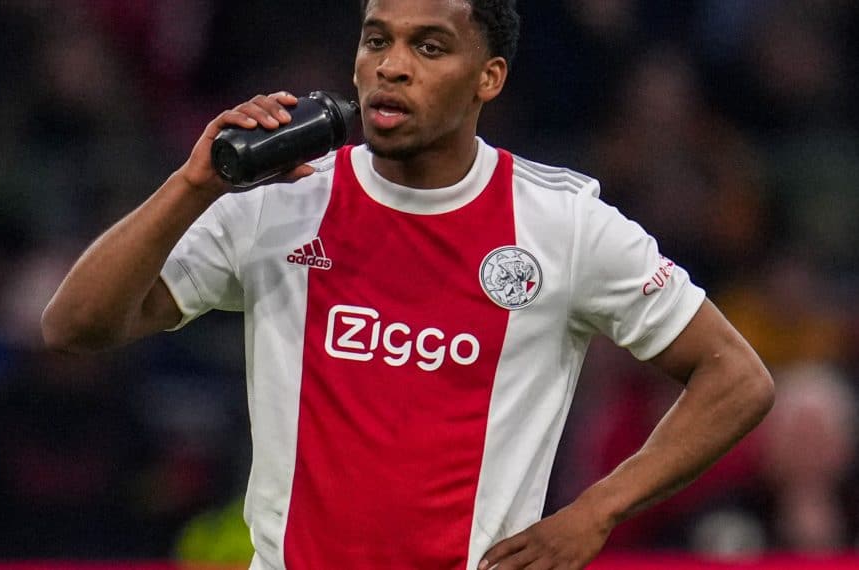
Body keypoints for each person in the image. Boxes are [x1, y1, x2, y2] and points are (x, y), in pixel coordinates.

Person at [42, 1, 775, 568]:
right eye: (376, 40)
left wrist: (596, 512)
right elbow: (74, 326)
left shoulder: (565, 226)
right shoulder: (283, 201)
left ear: (489, 76)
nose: (392, 66)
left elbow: (736, 377)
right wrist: (192, 183)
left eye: (429, 47)